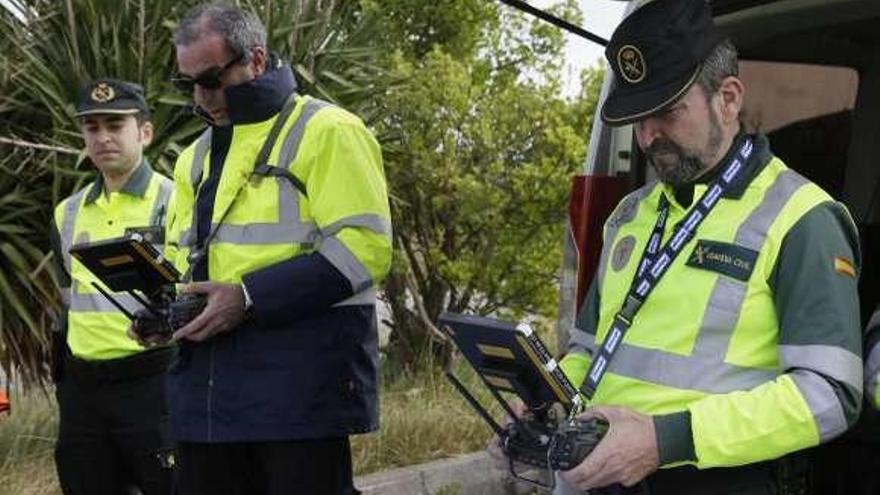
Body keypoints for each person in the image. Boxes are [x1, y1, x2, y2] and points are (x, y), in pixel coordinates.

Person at [543, 0, 863, 493]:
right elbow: (588, 350)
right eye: (637, 118)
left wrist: (664, 440)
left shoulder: (802, 218)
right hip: (602, 477)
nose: (648, 137)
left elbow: (829, 395)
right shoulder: (630, 214)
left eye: (667, 112)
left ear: (729, 98)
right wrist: (543, 399)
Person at [159, 4, 392, 494]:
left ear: (257, 60)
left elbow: (364, 248)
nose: (202, 97)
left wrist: (247, 297)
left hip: (298, 395)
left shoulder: (329, 130)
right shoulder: (193, 158)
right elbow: (185, 263)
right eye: (188, 85)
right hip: (205, 398)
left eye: (211, 79)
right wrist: (165, 312)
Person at [50, 78, 174, 495]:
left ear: (145, 132)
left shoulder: (175, 200)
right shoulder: (66, 213)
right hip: (84, 394)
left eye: (115, 125)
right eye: (92, 127)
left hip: (154, 384)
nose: (102, 137)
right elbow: (68, 299)